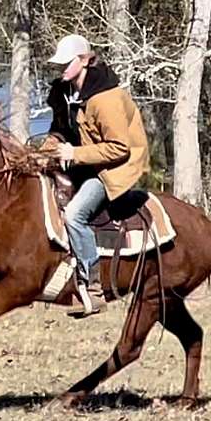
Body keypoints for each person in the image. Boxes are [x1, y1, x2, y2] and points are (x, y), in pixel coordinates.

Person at [44, 34, 150, 317]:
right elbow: (61, 129)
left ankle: (93, 287)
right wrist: (47, 149)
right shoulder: (67, 92)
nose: (61, 69)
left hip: (112, 170)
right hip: (87, 163)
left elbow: (118, 148)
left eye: (66, 63)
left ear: (84, 60)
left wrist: (73, 155)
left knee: (75, 214)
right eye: (59, 64)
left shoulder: (106, 99)